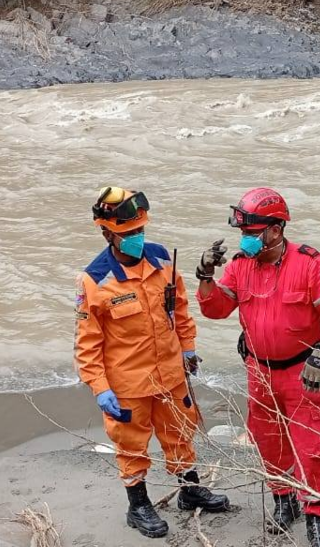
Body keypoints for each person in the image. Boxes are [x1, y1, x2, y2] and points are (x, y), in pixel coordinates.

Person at [195, 187, 320, 547]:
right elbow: (217, 309)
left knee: (314, 446)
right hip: (259, 373)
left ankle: (317, 512)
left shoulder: (311, 264)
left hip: (304, 373)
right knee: (268, 441)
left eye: (252, 233)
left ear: (276, 230)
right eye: (243, 233)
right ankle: (284, 499)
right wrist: (205, 277)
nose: (245, 239)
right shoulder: (240, 266)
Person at [74, 186, 230, 539]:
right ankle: (138, 504)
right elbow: (87, 343)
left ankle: (189, 489)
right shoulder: (94, 280)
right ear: (107, 234)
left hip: (171, 373)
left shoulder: (162, 259)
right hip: (129, 383)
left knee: (180, 433)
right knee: (131, 445)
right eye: (129, 233)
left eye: (140, 229)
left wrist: (188, 349)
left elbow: (180, 310)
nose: (137, 237)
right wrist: (99, 387)